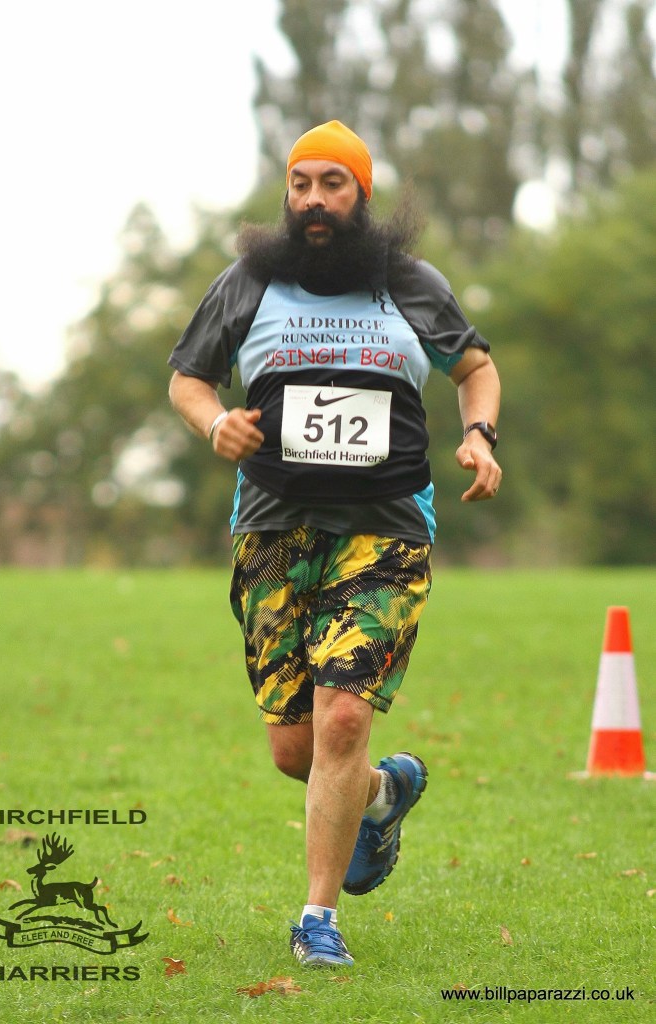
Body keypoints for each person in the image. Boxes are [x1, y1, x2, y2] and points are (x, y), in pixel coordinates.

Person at [168, 120, 502, 968]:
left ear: (362, 194)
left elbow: (473, 368)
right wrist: (215, 424)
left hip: (385, 528)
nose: (313, 200)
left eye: (332, 184)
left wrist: (479, 435)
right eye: (301, 183)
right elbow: (188, 378)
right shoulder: (249, 282)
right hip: (273, 530)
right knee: (299, 750)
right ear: (286, 193)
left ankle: (317, 918)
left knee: (345, 716)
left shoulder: (409, 283)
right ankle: (383, 794)